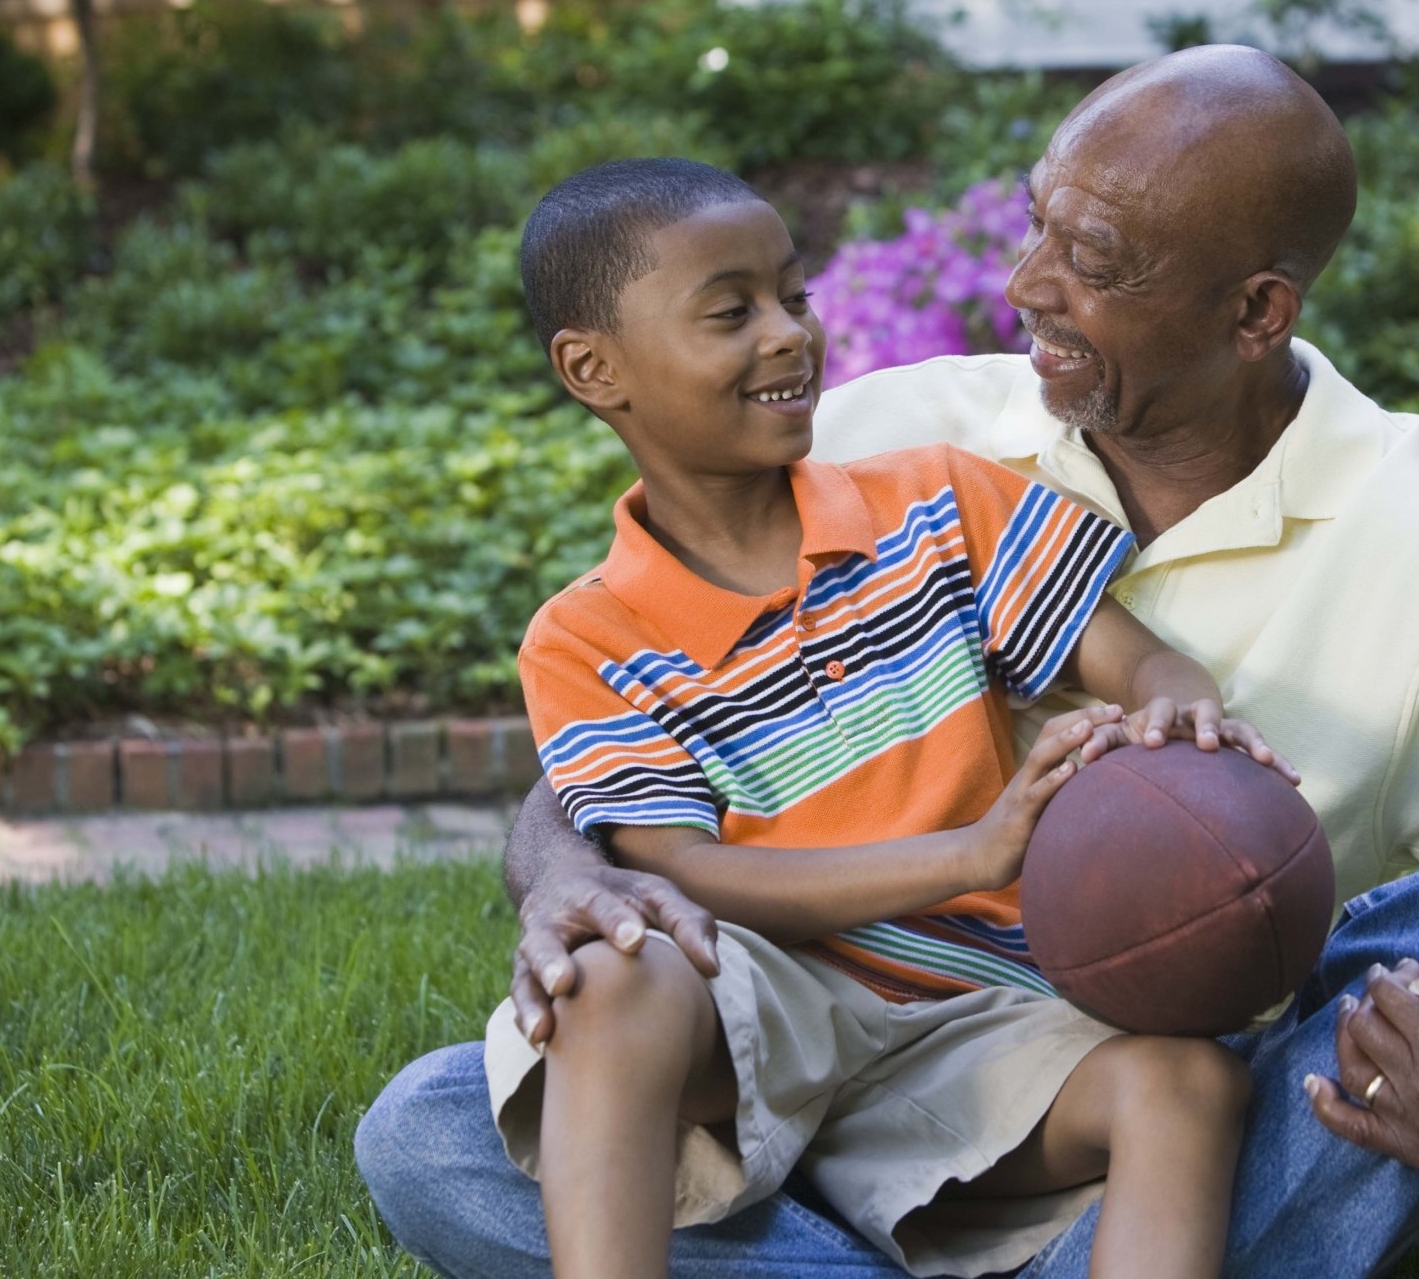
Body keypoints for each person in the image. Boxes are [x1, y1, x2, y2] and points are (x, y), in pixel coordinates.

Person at [358, 47, 1419, 1278]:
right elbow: (621, 761)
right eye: (1036, 223)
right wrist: (578, 882)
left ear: (1253, 312)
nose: (1024, 285)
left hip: (1103, 1064)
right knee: (433, 1128)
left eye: (1097, 257)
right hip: (797, 1031)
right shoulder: (889, 435)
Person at [483, 156, 1302, 1279]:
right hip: (770, 1002)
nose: (787, 335)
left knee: (1191, 1084)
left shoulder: (935, 502)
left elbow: (1146, 662)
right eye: (733, 312)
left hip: (990, 1017)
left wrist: (1182, 724)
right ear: (593, 367)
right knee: (613, 969)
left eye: (795, 296)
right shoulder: (587, 635)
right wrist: (969, 849)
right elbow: (684, 871)